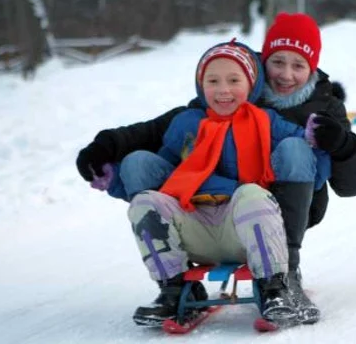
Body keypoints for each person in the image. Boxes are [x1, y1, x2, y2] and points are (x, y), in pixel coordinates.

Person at [76, 12, 356, 325]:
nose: (286, 74)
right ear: (261, 63)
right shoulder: (231, 81)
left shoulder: (322, 106)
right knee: (138, 162)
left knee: (292, 151)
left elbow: (352, 185)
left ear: (312, 68)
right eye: (277, 62)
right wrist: (106, 148)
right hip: (211, 209)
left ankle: (284, 275)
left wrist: (341, 144)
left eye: (298, 65)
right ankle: (175, 283)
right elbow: (156, 131)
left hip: (279, 208)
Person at [126, 39, 330, 326]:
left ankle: (275, 287)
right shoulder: (186, 124)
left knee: (251, 194)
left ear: (251, 86)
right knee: (145, 201)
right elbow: (165, 175)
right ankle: (173, 289)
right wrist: (117, 180)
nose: (223, 90)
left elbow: (307, 157)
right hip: (195, 226)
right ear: (201, 86)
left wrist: (320, 139)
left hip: (246, 232)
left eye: (234, 80)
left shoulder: (267, 121)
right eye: (213, 81)